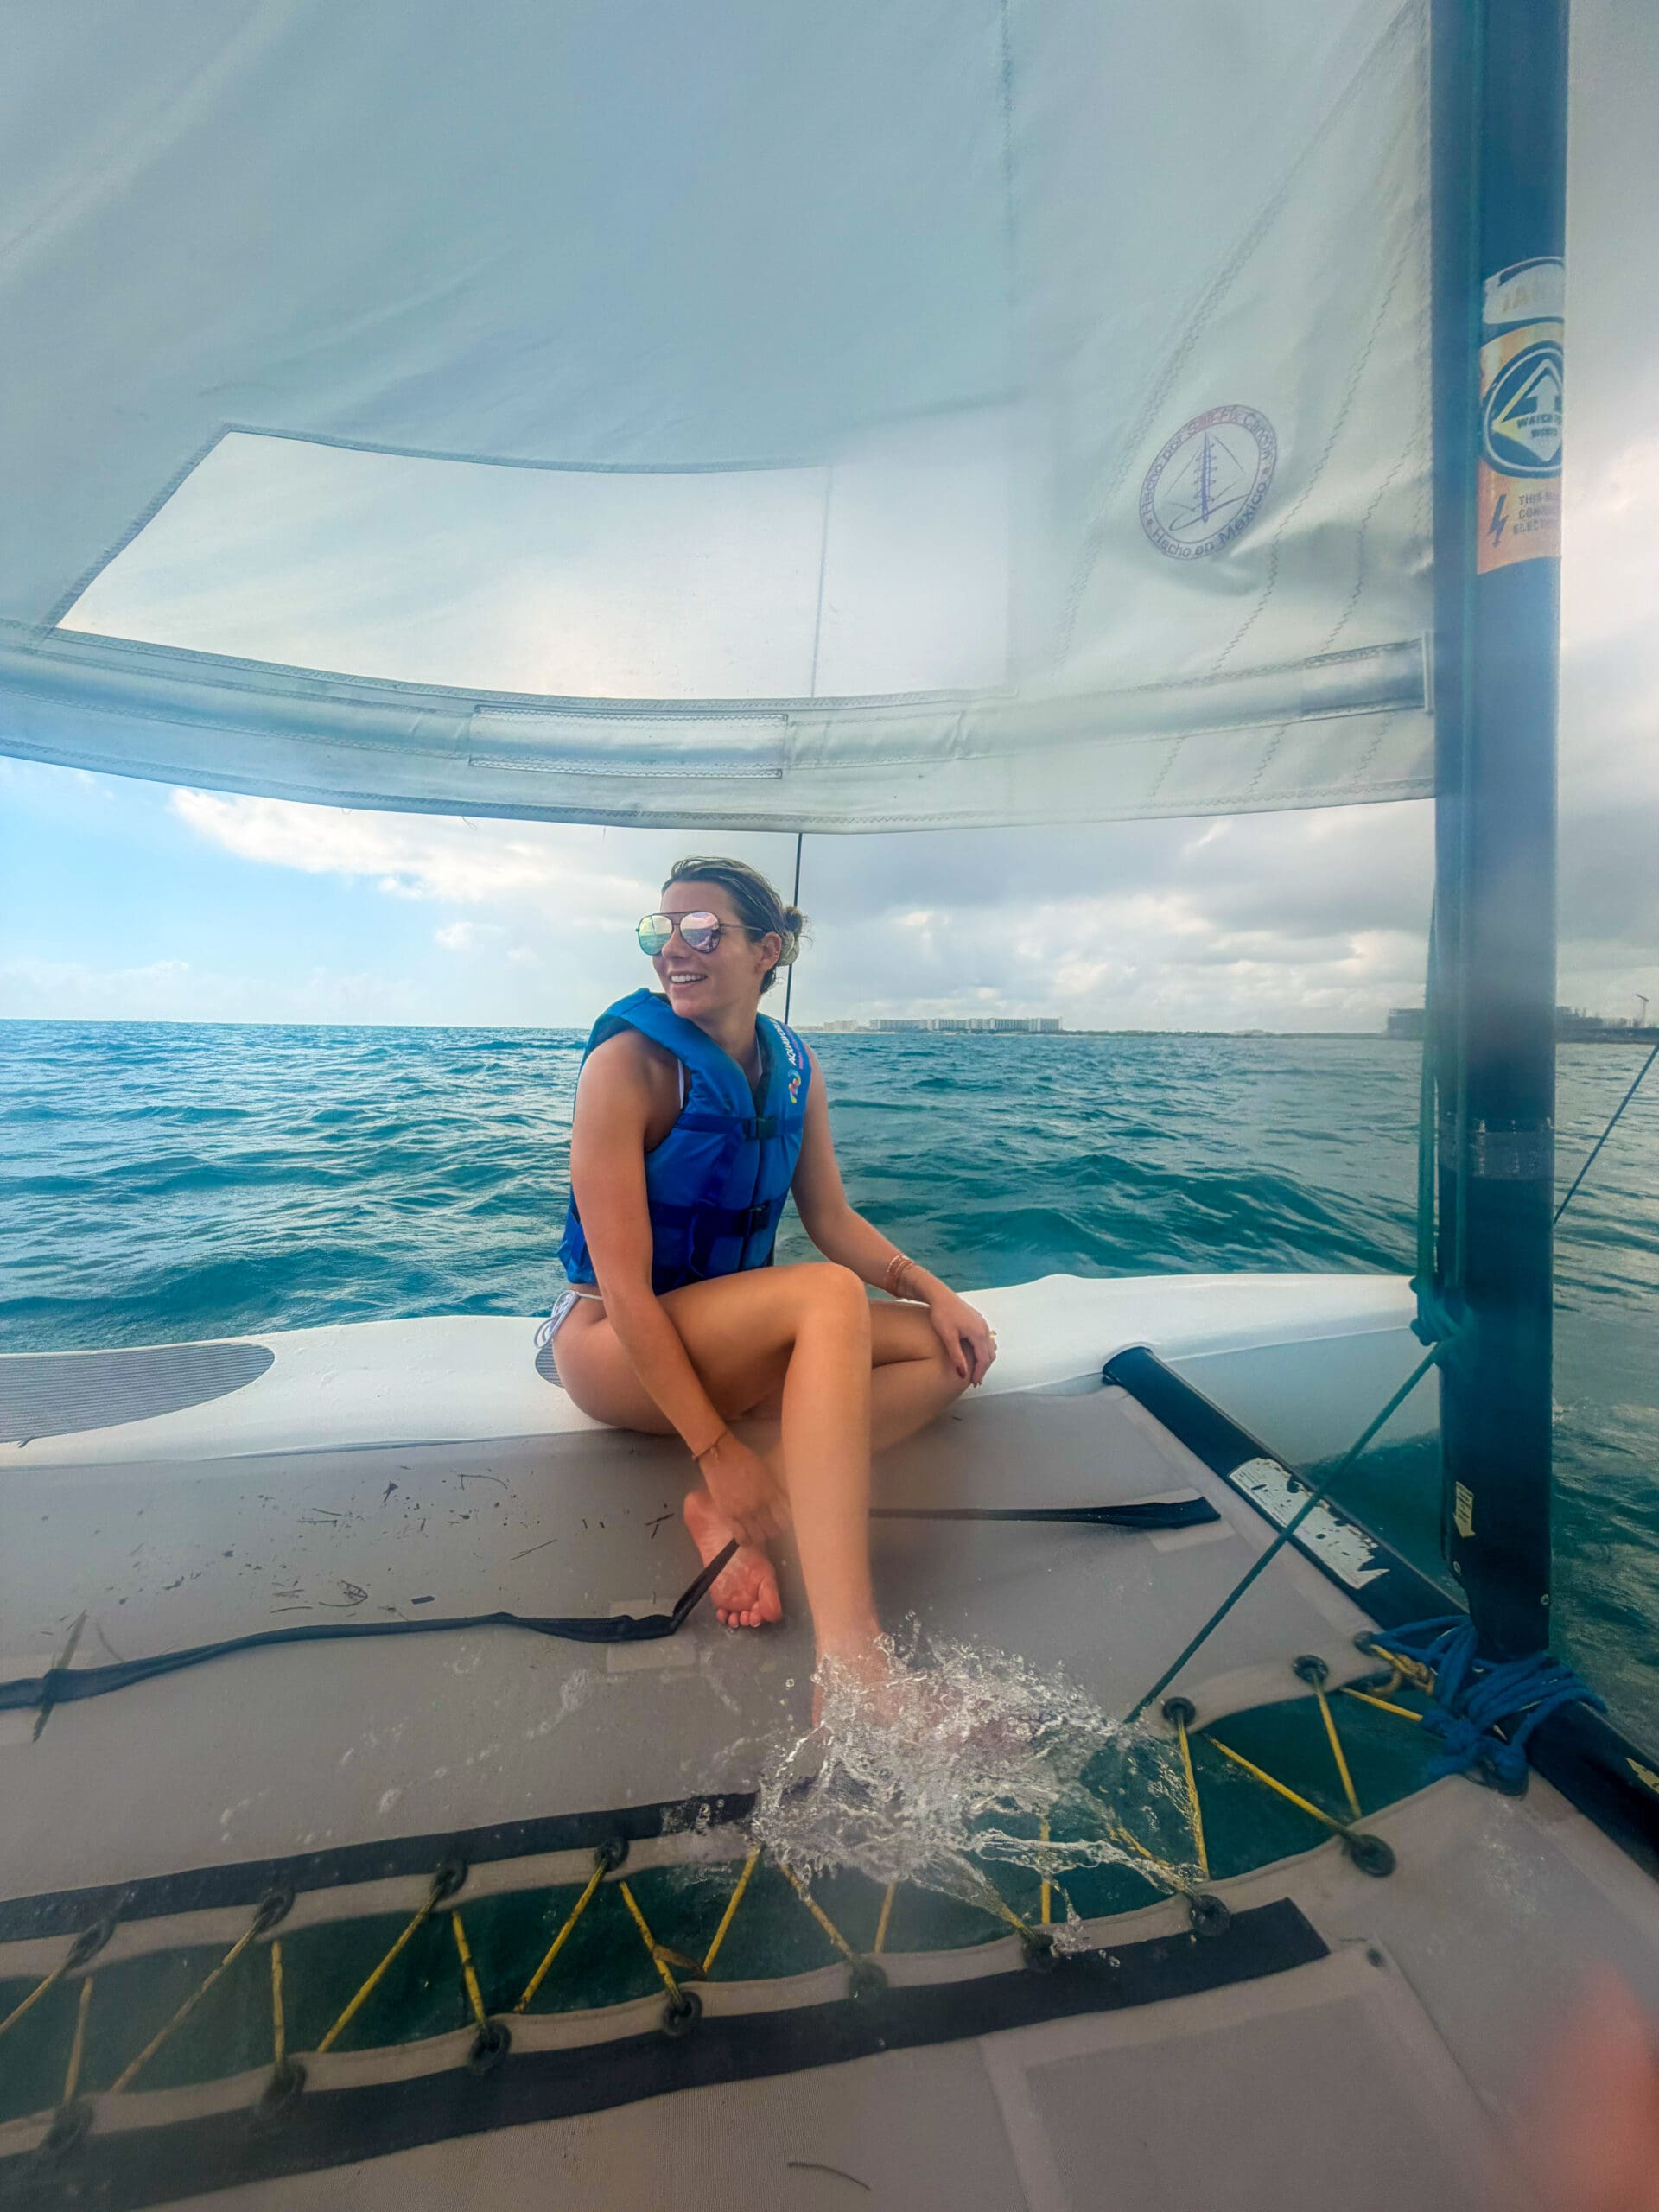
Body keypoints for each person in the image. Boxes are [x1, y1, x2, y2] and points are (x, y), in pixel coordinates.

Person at [545, 855, 995, 1688]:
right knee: (826, 1295)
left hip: (721, 1348)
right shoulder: (628, 1068)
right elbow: (628, 1290)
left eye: (703, 930)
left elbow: (829, 1221)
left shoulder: (795, 1066)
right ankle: (853, 1660)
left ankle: (728, 1511)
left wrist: (940, 1294)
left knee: (950, 1355)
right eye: (662, 931)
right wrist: (717, 1449)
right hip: (614, 1348)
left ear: (768, 951)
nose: (675, 949)